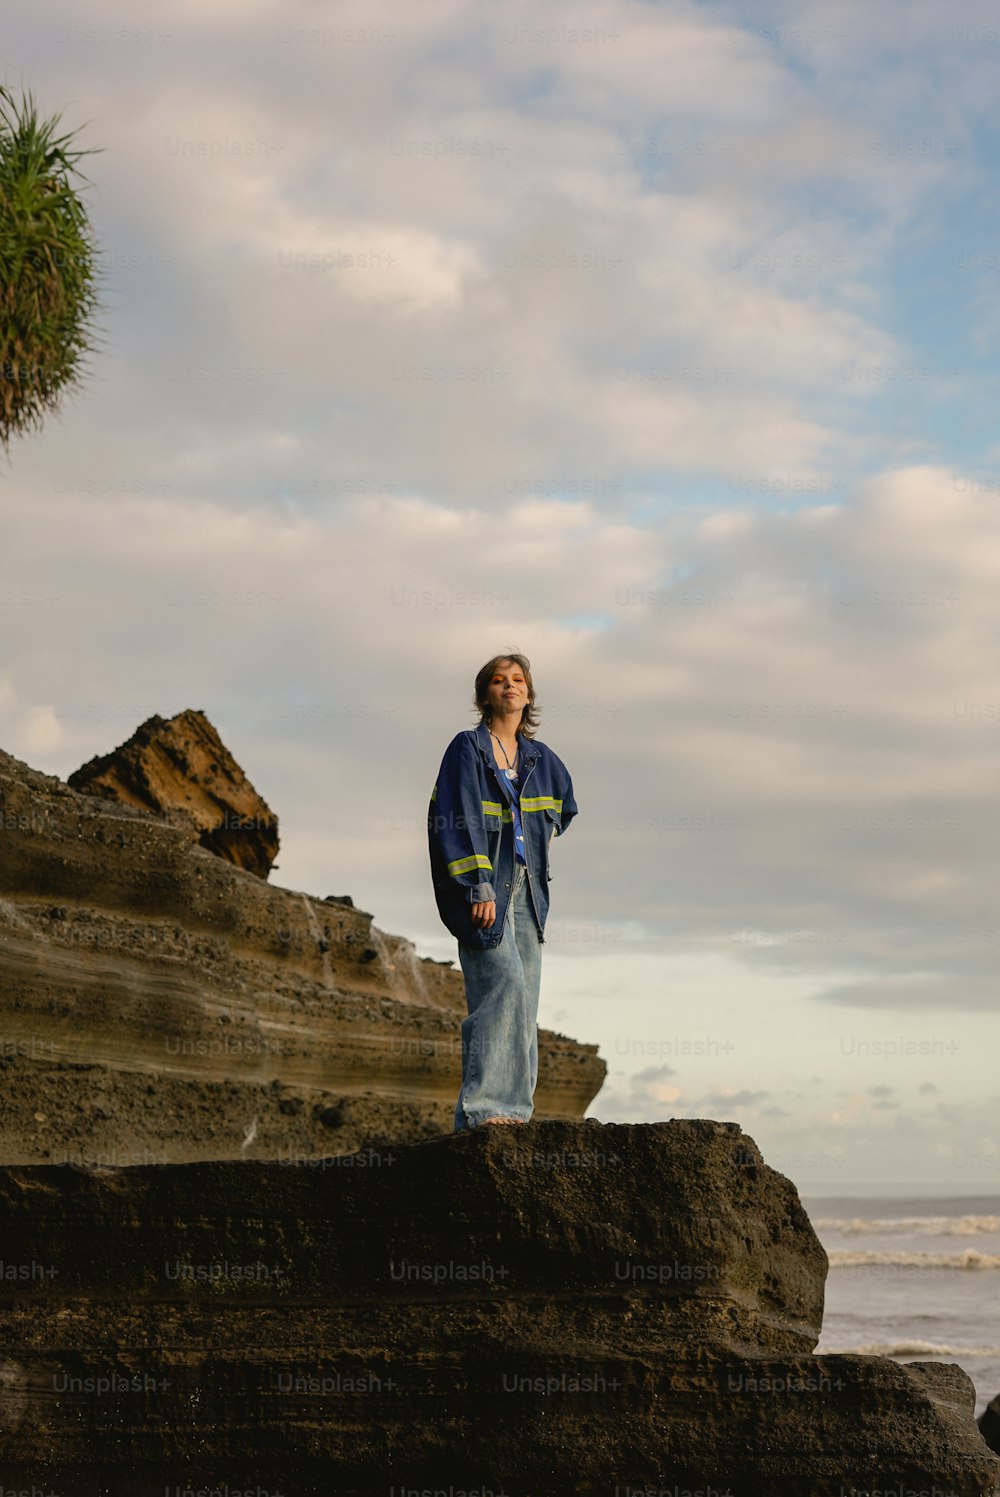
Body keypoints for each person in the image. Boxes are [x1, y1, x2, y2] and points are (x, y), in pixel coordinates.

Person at [427, 651, 578, 1131]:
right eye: (498, 680)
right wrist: (478, 885)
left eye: (518, 680)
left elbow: (564, 810)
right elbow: (453, 820)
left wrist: (535, 844)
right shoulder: (467, 749)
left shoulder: (543, 760)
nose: (509, 686)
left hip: (529, 898)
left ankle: (513, 1115)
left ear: (528, 694)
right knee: (502, 988)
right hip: (486, 893)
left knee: (524, 1001)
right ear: (484, 693)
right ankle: (489, 1109)